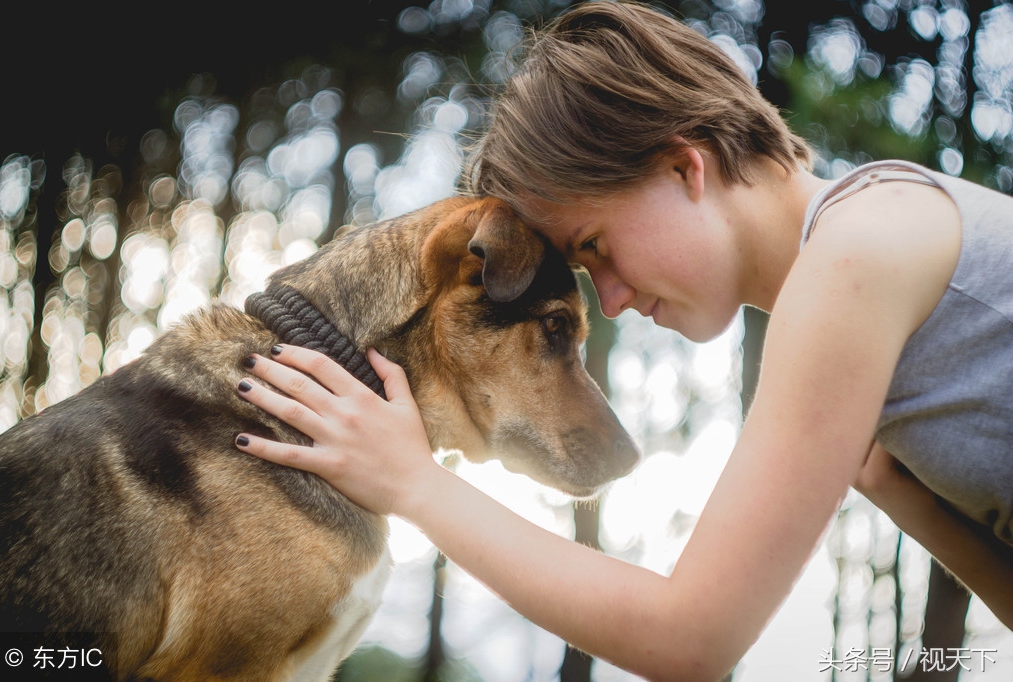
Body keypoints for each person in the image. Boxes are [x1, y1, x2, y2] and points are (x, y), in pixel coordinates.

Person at [232, 1, 1013, 679]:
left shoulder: (859, 250)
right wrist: (904, 494)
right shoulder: (875, 259)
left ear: (682, 167)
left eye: (595, 245)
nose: (607, 299)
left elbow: (690, 641)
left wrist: (413, 485)